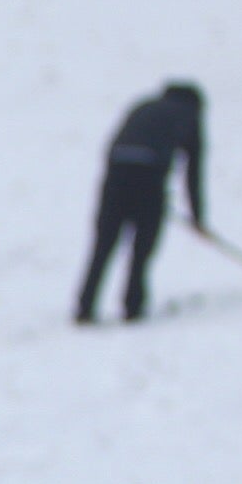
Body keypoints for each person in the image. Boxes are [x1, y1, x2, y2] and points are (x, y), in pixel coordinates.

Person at [73, 79, 207, 325]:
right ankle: (132, 306)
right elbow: (193, 170)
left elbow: (114, 141)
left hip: (117, 171)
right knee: (142, 247)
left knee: (104, 244)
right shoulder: (190, 115)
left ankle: (85, 307)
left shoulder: (143, 106)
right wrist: (198, 217)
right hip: (150, 174)